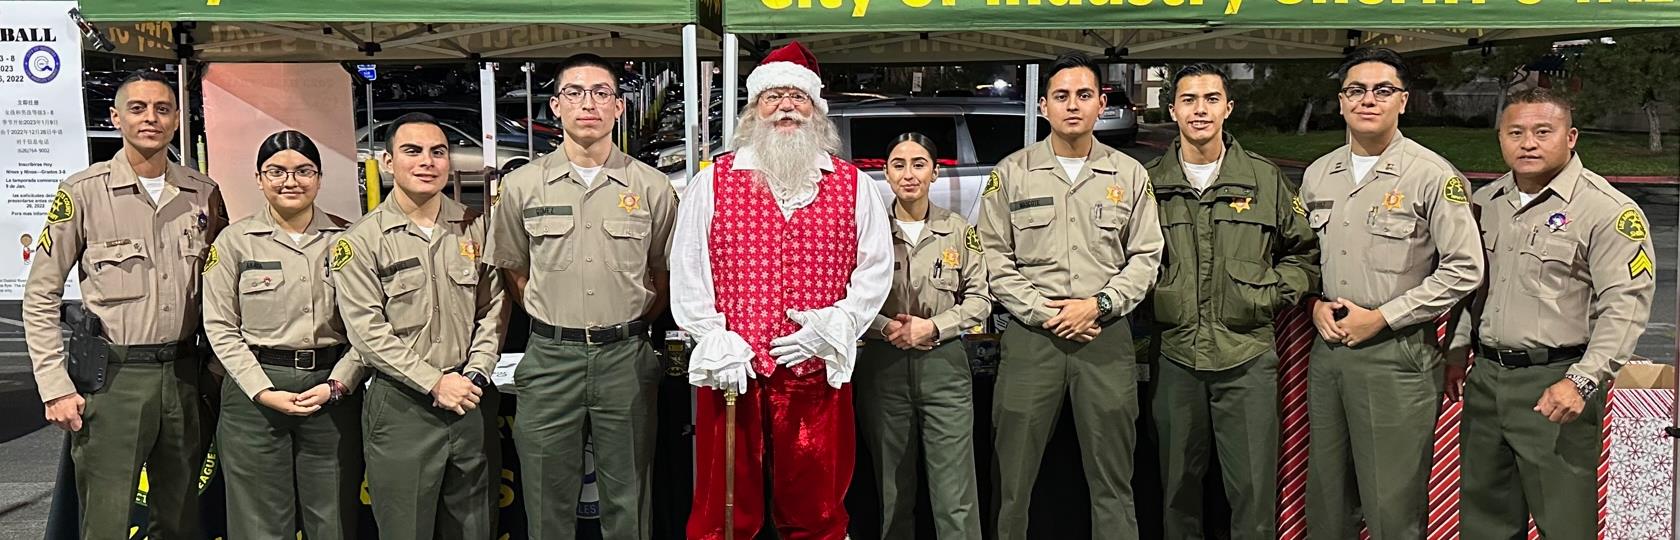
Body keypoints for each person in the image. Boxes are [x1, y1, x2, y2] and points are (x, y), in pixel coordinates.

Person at [671, 41, 893, 540]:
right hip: (734, 372)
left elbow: (876, 267)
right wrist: (711, 336)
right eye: (773, 97)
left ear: (817, 109)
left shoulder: (852, 184)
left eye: (798, 96)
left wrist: (839, 324)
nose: (786, 106)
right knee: (723, 514)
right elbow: (688, 266)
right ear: (754, 110)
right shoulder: (713, 182)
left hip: (814, 374)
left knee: (816, 511)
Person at [24, 70, 228, 539]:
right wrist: (54, 385)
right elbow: (40, 295)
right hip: (113, 381)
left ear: (177, 119)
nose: (150, 118)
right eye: (137, 108)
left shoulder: (204, 194)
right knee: (107, 521)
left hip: (182, 377)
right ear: (116, 117)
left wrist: (215, 370)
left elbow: (223, 287)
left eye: (162, 109)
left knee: (179, 518)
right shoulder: (83, 192)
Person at [484, 53, 678, 540]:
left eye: (600, 93)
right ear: (555, 105)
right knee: (547, 497)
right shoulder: (522, 186)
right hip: (550, 359)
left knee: (629, 496)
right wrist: (555, 317)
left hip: (626, 359)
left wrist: (628, 322)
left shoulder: (653, 187)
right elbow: (513, 267)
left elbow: (663, 272)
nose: (586, 103)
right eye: (574, 92)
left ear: (618, 107)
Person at [1450, 88, 1654, 539]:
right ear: (1500, 138)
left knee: (1563, 524)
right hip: (1486, 380)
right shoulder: (1485, 204)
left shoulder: (1607, 210)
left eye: (1544, 132)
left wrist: (1583, 380)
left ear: (1571, 136)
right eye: (1515, 132)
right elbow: (1470, 287)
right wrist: (1457, 349)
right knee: (1484, 523)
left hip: (1557, 385)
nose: (1528, 143)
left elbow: (1624, 307)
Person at [978, 51, 1163, 540]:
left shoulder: (1129, 174)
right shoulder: (1012, 173)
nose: (1073, 105)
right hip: (1031, 341)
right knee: (1013, 478)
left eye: (1084, 95)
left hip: (1104, 338)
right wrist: (1045, 312)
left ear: (1101, 103)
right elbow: (994, 259)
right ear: (1043, 106)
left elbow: (1145, 257)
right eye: (1061, 96)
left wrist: (1097, 306)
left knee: (1113, 477)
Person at [1299, 48, 1482, 540]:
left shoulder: (1431, 175)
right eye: (1356, 90)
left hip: (1396, 354)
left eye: (1383, 90)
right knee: (1327, 500)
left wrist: (1383, 317)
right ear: (1340, 102)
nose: (1368, 100)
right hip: (1330, 351)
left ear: (1403, 101)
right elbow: (1303, 256)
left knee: (1391, 505)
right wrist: (1313, 302)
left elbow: (1466, 269)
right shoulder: (1319, 174)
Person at [1143, 63, 1319, 540]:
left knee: (1253, 492)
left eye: (1211, 99)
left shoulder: (1264, 179)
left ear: (1228, 107)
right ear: (1173, 109)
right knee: (1176, 490)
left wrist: (1268, 295)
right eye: (1189, 100)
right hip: (1175, 356)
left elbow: (1304, 254)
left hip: (1247, 356)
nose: (1200, 110)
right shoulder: (1146, 184)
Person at [333, 112, 508, 539]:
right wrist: (433, 382)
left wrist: (476, 371)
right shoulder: (361, 239)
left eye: (438, 152)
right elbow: (367, 332)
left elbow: (494, 308)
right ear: (388, 163)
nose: (427, 161)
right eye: (412, 151)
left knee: (476, 528)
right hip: (401, 406)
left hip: (470, 398)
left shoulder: (475, 227)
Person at [201, 130, 367, 539]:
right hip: (254, 395)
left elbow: (369, 325)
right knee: (258, 522)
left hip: (331, 394)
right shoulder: (234, 243)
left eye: (303, 171)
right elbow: (220, 327)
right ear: (259, 178)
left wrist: (339, 383)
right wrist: (261, 390)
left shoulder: (349, 240)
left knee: (333, 517)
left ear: (319, 177)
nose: (290, 181)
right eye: (276, 171)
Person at [856, 132, 990, 540]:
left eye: (919, 164)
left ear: (935, 172)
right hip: (884, 367)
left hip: (944, 366)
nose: (909, 174)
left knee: (955, 493)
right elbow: (847, 295)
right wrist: (885, 327)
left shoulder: (958, 231)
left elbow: (981, 300)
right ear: (886, 173)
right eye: (899, 164)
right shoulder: (869, 231)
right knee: (892, 490)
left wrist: (933, 326)